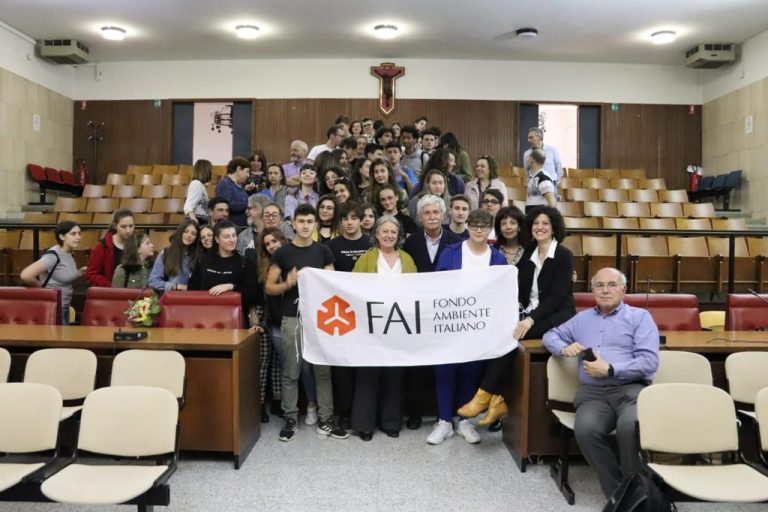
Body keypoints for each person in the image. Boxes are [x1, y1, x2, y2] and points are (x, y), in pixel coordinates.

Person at [543, 267, 660, 498]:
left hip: (631, 391)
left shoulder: (640, 317)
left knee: (629, 427)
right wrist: (564, 348)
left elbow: (649, 362)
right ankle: (621, 495)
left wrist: (611, 369)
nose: (605, 290)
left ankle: (637, 491)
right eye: (599, 285)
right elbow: (550, 335)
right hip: (594, 395)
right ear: (592, 290)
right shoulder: (582, 319)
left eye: (612, 285)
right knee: (586, 430)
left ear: (624, 290)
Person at [459, 206, 576, 426]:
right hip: (530, 314)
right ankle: (496, 400)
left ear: (554, 228)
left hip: (557, 316)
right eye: (536, 223)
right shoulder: (530, 252)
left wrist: (530, 319)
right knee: (500, 332)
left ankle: (485, 396)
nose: (539, 227)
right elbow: (518, 289)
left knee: (509, 337)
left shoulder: (563, 255)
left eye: (545, 224)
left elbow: (556, 298)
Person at [265, 204, 348, 442]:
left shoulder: (323, 251)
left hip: (319, 319)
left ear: (315, 225)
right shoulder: (282, 253)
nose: (305, 225)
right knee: (291, 371)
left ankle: (326, 418)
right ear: (293, 224)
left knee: (322, 371)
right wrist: (287, 284)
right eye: (301, 221)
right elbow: (269, 287)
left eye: (309, 221)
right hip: (292, 316)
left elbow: (333, 284)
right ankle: (290, 418)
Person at [429, 209, 508, 445]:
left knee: (471, 372)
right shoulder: (451, 252)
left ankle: (464, 421)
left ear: (490, 229)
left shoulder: (498, 259)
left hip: (479, 326)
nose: (479, 230)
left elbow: (501, 293)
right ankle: (444, 421)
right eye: (474, 225)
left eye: (484, 226)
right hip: (449, 323)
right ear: (468, 227)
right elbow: (436, 286)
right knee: (444, 371)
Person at [351, 215, 415, 440]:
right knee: (368, 375)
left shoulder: (407, 259)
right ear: (376, 234)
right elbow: (352, 289)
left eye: (393, 232)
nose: (389, 235)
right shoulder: (365, 259)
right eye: (384, 231)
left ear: (398, 236)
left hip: (398, 326)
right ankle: (365, 424)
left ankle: (391, 421)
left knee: (394, 374)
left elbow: (416, 290)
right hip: (371, 326)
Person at [401, 195, 461, 429]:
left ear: (443, 215)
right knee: (418, 364)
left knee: (446, 363)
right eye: (427, 213)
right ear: (419, 217)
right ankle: (415, 412)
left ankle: (444, 413)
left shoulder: (456, 241)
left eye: (436, 212)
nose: (432, 217)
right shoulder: (411, 242)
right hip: (419, 312)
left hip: (446, 312)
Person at [327, 202, 373, 429]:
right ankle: (344, 412)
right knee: (343, 366)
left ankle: (364, 411)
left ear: (362, 220)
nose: (349, 222)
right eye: (345, 218)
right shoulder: (331, 246)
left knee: (365, 365)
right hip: (342, 314)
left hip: (368, 313)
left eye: (354, 218)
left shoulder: (371, 243)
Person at [254, 227, 289, 421]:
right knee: (263, 361)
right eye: (267, 244)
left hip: (285, 318)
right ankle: (259, 403)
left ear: (282, 240)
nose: (271, 246)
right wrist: (257, 320)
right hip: (265, 317)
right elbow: (257, 297)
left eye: (274, 241)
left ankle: (278, 401)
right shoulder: (262, 266)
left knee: (279, 362)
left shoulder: (292, 260)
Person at [20, 220, 85, 324]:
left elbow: (65, 275)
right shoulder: (53, 256)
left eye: (79, 233)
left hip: (64, 306)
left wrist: (80, 272)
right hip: (54, 309)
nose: (78, 237)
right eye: (73, 234)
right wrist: (42, 288)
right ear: (62, 236)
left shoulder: (70, 253)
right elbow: (26, 275)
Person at [189, 220, 244, 295]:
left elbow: (251, 292)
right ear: (217, 239)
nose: (232, 240)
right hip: (206, 301)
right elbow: (192, 289)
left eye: (234, 236)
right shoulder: (203, 260)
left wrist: (231, 286)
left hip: (232, 302)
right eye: (226, 237)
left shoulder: (244, 262)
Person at [85, 208, 135, 287]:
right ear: (115, 226)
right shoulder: (102, 246)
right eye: (123, 227)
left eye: (131, 226)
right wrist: (110, 286)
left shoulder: (138, 244)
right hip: (110, 290)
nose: (128, 230)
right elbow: (91, 274)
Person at [149, 219, 199, 293]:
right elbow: (153, 281)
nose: (189, 235)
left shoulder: (199, 255)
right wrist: (174, 286)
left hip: (192, 297)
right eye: (186, 231)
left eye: (193, 234)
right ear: (180, 232)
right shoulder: (166, 253)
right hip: (172, 296)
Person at [214, 157, 250, 226]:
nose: (248, 175)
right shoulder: (224, 184)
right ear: (238, 169)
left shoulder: (240, 186)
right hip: (230, 227)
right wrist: (248, 205)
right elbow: (228, 205)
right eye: (247, 171)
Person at [525, 148, 556, 212]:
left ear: (532, 159)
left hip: (539, 215)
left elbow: (551, 200)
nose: (527, 161)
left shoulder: (543, 177)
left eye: (528, 158)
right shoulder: (533, 177)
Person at [184, 159, 212, 224]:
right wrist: (194, 220)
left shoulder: (201, 185)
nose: (211, 172)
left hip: (202, 220)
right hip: (197, 220)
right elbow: (188, 206)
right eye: (210, 170)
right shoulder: (196, 184)